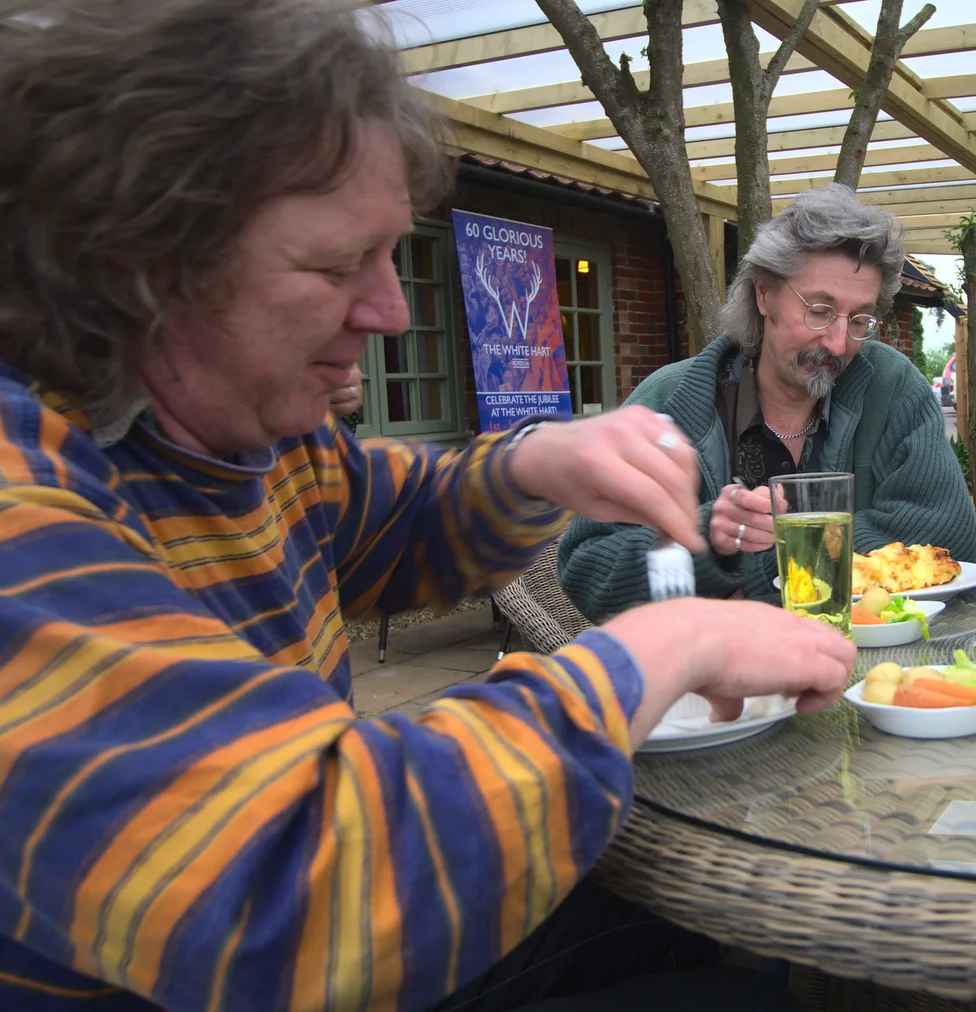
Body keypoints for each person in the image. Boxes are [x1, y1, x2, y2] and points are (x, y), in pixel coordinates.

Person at [0, 2, 854, 1010]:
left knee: (725, 918)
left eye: (388, 255)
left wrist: (541, 460)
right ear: (136, 260)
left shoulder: (255, 437)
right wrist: (669, 646)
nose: (394, 312)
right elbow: (307, 889)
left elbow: (398, 529)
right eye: (330, 265)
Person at [559, 185, 976, 619]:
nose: (838, 343)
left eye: (859, 319)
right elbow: (588, 568)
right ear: (763, 295)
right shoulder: (668, 402)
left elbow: (949, 540)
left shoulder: (892, 388)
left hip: (873, 670)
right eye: (818, 310)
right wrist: (709, 538)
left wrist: (761, 571)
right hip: (711, 675)